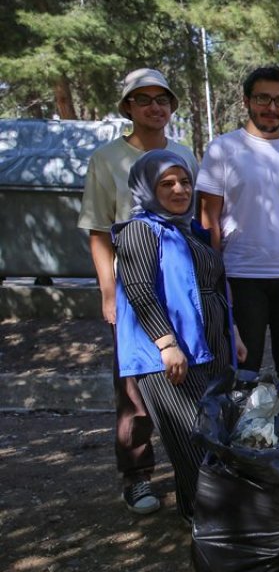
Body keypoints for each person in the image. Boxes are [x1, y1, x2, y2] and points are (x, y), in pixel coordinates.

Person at [78, 68, 198, 515]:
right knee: (134, 388)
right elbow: (97, 231)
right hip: (134, 292)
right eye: (143, 99)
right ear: (128, 107)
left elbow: (193, 221)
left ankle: (195, 470)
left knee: (191, 378)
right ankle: (137, 476)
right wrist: (109, 292)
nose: (154, 107)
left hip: (182, 288)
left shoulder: (184, 153)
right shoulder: (106, 159)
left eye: (161, 99)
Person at [113, 150, 245, 521]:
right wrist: (167, 344)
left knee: (216, 432)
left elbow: (213, 285)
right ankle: (206, 519)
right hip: (171, 353)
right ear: (146, 188)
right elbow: (140, 291)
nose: (179, 189)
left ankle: (206, 514)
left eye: (185, 181)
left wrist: (231, 331)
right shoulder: (140, 231)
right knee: (193, 439)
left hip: (209, 345)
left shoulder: (188, 232)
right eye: (167, 183)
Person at [197, 66, 279, 403]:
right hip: (241, 276)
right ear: (247, 101)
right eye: (263, 99)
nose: (271, 108)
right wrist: (212, 279)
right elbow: (208, 218)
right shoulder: (222, 149)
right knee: (241, 368)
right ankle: (240, 450)